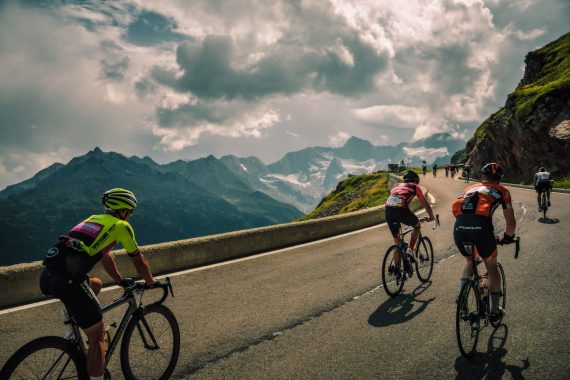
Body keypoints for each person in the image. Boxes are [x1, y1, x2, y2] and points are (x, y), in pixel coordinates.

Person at [39, 188, 159, 380]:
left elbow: (105, 254)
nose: (130, 216)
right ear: (124, 210)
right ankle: (95, 368)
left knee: (95, 283)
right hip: (70, 283)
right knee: (98, 336)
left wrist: (119, 279)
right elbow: (138, 260)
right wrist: (151, 281)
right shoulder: (121, 226)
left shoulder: (93, 220)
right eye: (131, 212)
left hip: (48, 276)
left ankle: (73, 327)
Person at [452, 163, 516, 323]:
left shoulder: (470, 188)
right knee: (491, 266)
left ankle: (462, 300)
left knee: (469, 260)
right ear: (499, 179)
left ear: (482, 176)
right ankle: (494, 311)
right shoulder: (503, 191)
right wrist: (508, 237)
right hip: (481, 230)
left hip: (459, 228)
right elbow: (511, 223)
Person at [385, 170, 435, 277]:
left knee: (397, 242)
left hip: (388, 212)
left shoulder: (396, 186)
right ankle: (410, 250)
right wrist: (431, 217)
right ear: (415, 181)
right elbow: (425, 203)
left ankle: (397, 270)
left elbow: (394, 199)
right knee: (417, 226)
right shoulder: (415, 187)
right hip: (401, 211)